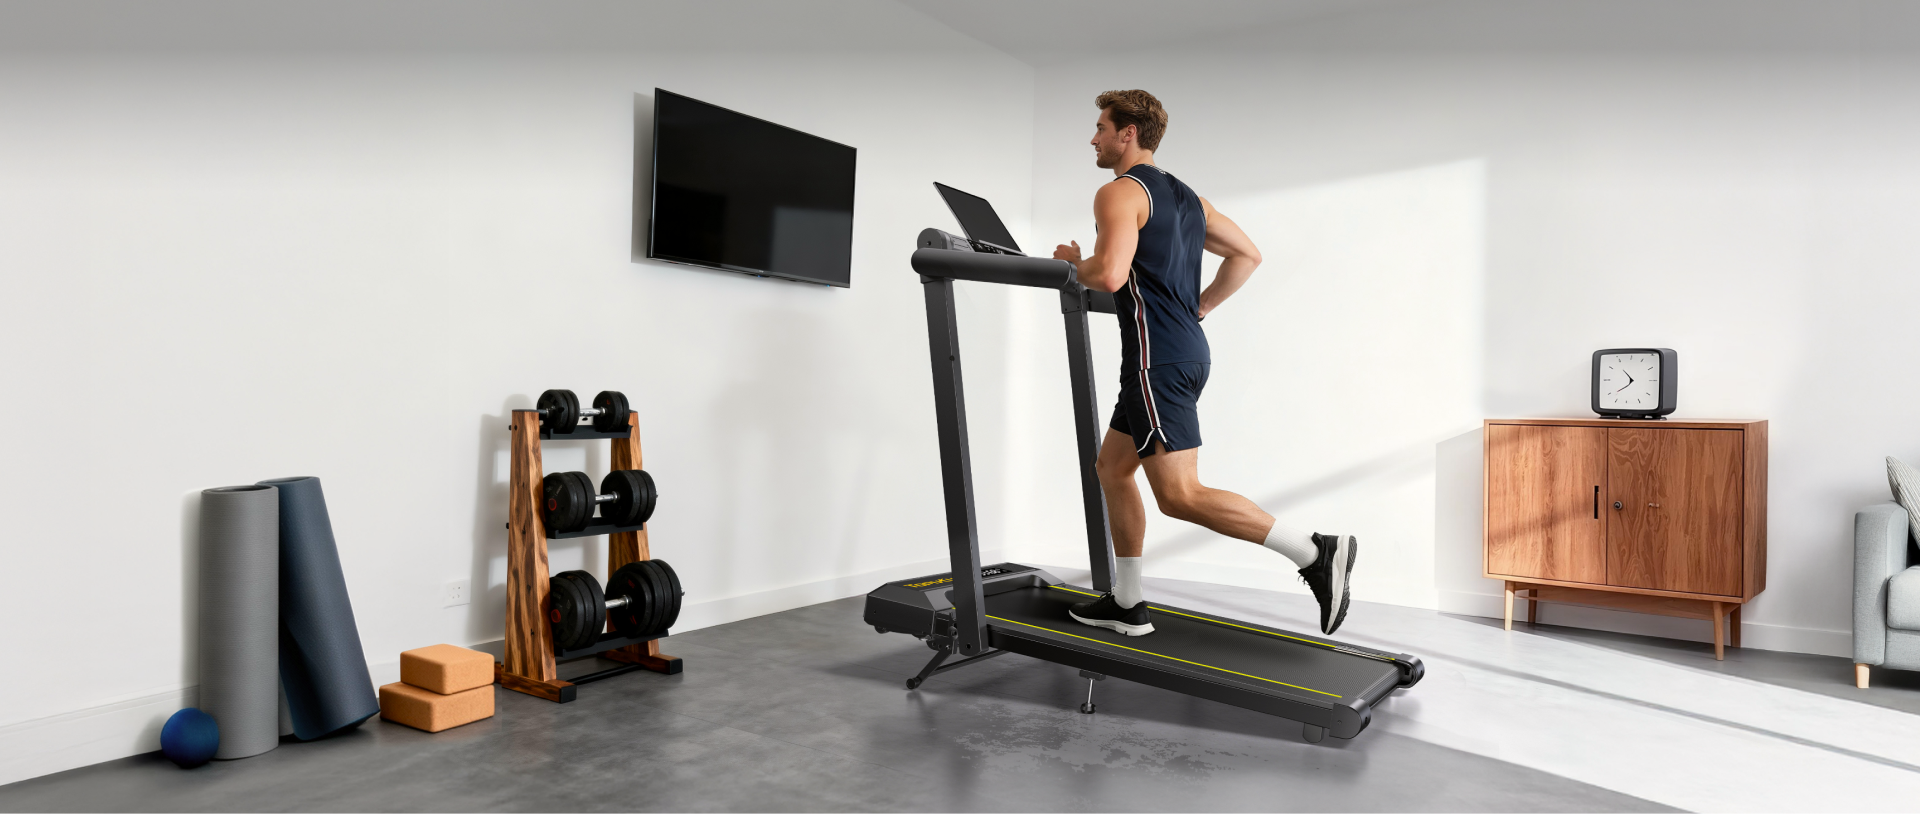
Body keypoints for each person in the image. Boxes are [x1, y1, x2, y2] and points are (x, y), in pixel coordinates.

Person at [1051, 89, 1358, 637]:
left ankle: (1314, 552)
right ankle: (1127, 601)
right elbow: (1247, 254)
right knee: (1113, 469)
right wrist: (1202, 307)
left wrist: (1074, 265)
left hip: (1156, 363)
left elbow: (1111, 274)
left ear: (1128, 134)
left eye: (1101, 128)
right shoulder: (1190, 200)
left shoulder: (1118, 192)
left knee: (1179, 495)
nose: (1093, 138)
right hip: (1183, 353)